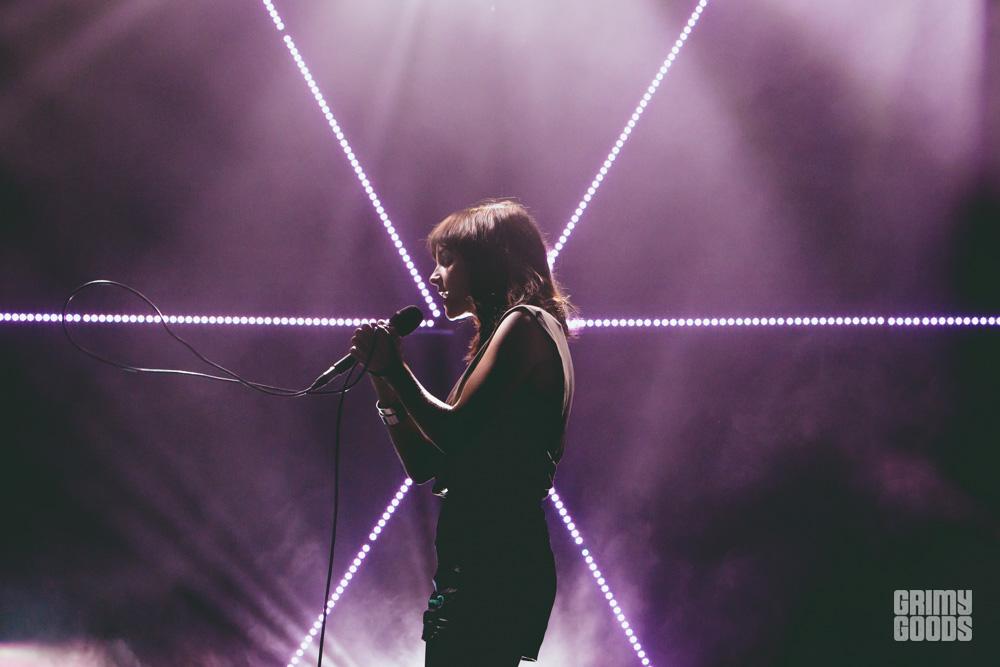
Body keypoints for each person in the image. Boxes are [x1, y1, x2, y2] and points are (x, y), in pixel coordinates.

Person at [348, 200, 576, 666]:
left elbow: (454, 433)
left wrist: (396, 368)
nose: (434, 277)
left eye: (447, 260)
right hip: (477, 556)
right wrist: (383, 381)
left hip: (496, 558)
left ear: (490, 259)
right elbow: (424, 463)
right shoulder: (507, 334)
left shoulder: (525, 324)